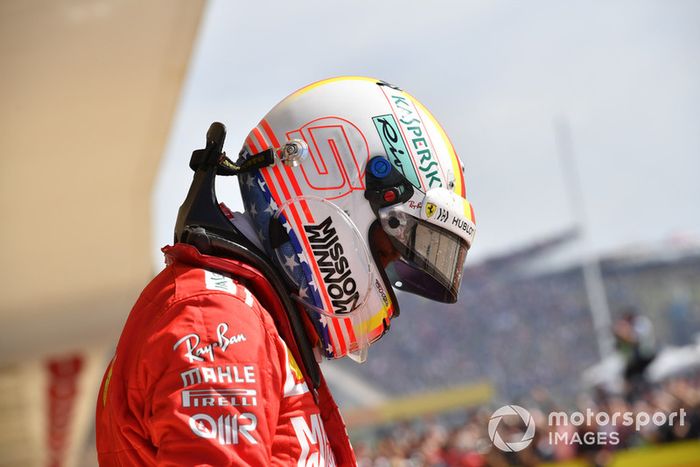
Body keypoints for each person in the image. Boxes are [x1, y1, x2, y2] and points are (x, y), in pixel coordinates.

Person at [95, 76, 477, 465]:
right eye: (390, 249)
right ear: (336, 194)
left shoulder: (249, 319)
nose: (390, 267)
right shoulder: (217, 319)